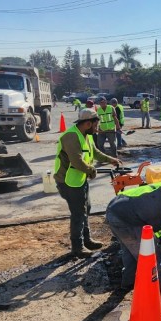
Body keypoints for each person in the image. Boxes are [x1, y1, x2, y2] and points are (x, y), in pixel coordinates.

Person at [53, 108, 122, 258]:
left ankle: (87, 240)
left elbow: (95, 152)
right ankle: (77, 247)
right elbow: (77, 161)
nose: (98, 129)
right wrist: (91, 170)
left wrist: (110, 159)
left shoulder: (86, 135)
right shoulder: (71, 136)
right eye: (96, 125)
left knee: (86, 208)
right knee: (78, 213)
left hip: (79, 179)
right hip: (68, 181)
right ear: (88, 123)